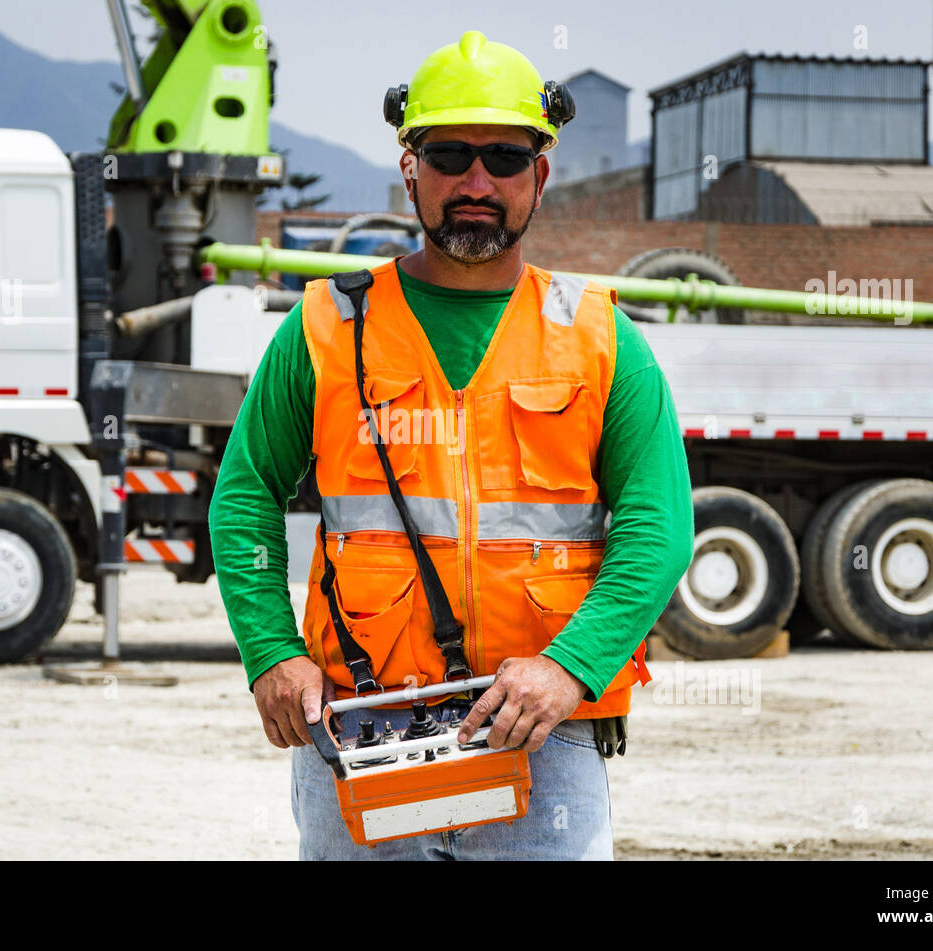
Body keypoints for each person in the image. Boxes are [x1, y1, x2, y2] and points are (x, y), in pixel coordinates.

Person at [208, 30, 694, 860]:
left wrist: (567, 667)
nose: (477, 181)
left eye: (505, 158)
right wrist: (271, 652)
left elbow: (659, 528)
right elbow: (245, 497)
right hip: (361, 734)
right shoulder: (327, 328)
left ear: (539, 175)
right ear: (410, 169)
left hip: (541, 736)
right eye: (449, 154)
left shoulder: (599, 337)